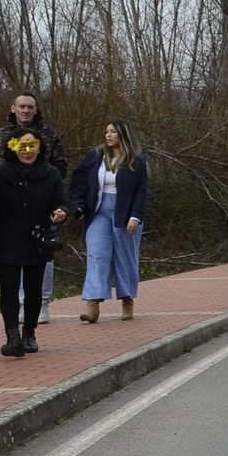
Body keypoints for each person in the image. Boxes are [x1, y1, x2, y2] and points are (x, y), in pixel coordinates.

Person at [0, 132, 70, 356]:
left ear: (40, 148)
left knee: (34, 290)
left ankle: (29, 334)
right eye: (22, 146)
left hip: (37, 239)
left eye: (32, 146)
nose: (27, 151)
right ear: (13, 148)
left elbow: (61, 200)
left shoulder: (50, 173)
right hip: (7, 239)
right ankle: (12, 336)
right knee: (10, 288)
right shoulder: (1, 172)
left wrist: (62, 211)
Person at [0, 93, 67, 325]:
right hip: (9, 208)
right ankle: (15, 318)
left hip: (40, 204)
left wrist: (45, 188)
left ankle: (41, 305)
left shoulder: (49, 135)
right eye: (21, 106)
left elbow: (61, 165)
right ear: (13, 108)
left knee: (42, 256)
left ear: (35, 110)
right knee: (11, 267)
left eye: (30, 107)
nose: (25, 110)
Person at [69, 120, 149, 323]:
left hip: (124, 215)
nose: (108, 135)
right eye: (106, 131)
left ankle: (127, 299)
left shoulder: (136, 161)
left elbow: (141, 192)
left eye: (113, 131)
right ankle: (92, 305)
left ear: (123, 134)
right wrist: (78, 205)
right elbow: (78, 180)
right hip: (98, 212)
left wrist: (135, 217)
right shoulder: (95, 156)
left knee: (125, 257)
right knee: (97, 255)